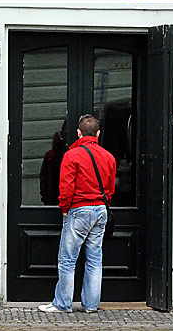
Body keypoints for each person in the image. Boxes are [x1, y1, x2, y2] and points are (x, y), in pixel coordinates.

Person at [38, 114, 116, 314]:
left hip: (79, 210)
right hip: (100, 210)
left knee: (67, 260)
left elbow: (65, 189)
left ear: (78, 133)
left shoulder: (72, 156)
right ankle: (90, 305)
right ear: (98, 133)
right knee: (94, 259)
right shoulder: (109, 157)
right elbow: (110, 189)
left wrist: (65, 210)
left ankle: (62, 303)